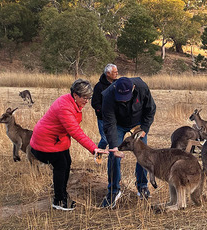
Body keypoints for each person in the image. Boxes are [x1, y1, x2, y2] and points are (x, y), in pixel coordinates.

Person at [30, 79, 108, 211]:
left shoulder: (71, 101)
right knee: (61, 166)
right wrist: (93, 148)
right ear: (75, 95)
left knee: (66, 162)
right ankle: (59, 201)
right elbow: (75, 131)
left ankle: (62, 194)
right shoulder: (65, 107)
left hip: (57, 141)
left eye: (89, 98)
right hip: (45, 142)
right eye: (84, 97)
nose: (87, 101)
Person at [100, 76, 156, 209]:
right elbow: (109, 123)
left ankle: (142, 185)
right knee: (113, 154)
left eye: (126, 96)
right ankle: (113, 191)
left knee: (143, 155)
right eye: (121, 96)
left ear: (133, 89)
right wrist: (114, 146)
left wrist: (144, 129)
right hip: (118, 125)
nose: (123, 99)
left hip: (138, 124)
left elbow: (150, 110)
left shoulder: (142, 88)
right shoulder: (108, 95)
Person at [91, 64, 119, 150]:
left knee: (114, 140)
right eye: (115, 72)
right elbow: (94, 103)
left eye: (117, 71)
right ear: (108, 73)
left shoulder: (118, 84)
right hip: (102, 118)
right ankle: (99, 153)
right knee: (105, 139)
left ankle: (112, 157)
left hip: (115, 118)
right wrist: (102, 112)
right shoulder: (99, 86)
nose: (117, 74)